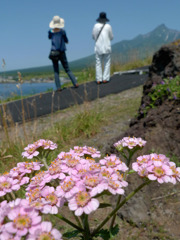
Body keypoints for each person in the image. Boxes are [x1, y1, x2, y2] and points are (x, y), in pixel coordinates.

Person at [48, 15, 79, 92]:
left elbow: (49, 37)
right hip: (61, 52)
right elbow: (66, 40)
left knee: (56, 71)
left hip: (53, 53)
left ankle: (58, 87)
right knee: (67, 69)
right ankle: (75, 83)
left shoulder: (50, 32)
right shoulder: (62, 31)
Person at [92, 12, 113, 84]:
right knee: (107, 63)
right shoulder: (108, 26)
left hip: (98, 47)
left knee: (98, 63)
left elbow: (93, 36)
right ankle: (105, 78)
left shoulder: (95, 26)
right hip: (107, 46)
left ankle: (98, 79)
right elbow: (111, 37)